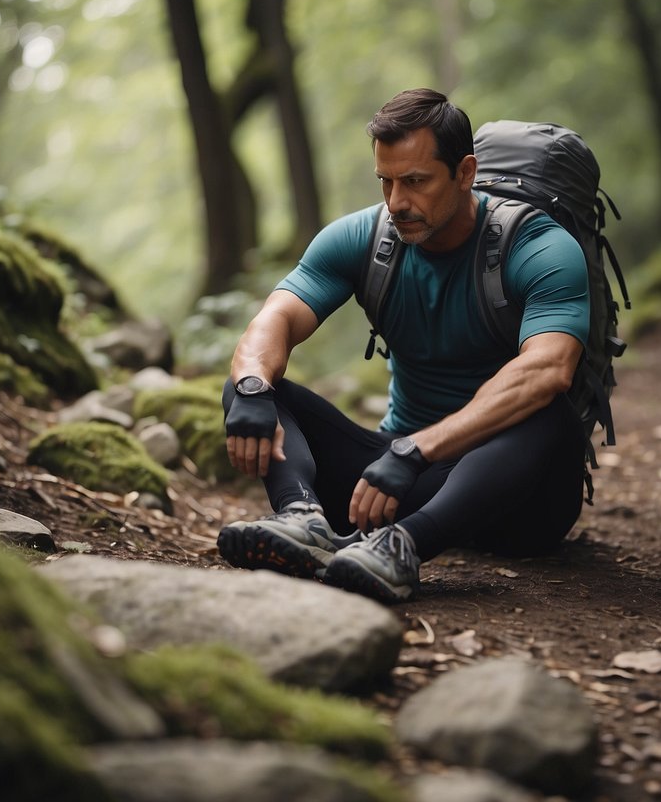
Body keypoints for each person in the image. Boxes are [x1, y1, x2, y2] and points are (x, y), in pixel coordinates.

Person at [217, 88, 590, 604]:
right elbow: (274, 318)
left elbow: (548, 367)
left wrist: (419, 450)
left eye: (415, 181)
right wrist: (255, 387)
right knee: (249, 383)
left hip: (519, 500)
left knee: (546, 404)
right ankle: (303, 522)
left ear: (465, 173)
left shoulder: (539, 247)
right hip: (398, 482)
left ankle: (403, 549)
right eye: (386, 182)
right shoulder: (362, 239)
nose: (396, 202)